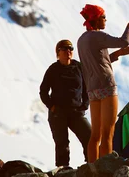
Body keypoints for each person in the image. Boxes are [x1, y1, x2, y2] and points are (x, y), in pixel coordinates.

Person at [77, 4, 129, 162]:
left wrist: (117, 54)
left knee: (95, 135)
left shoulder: (82, 40)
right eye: (103, 17)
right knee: (108, 133)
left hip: (92, 90)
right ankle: (106, 169)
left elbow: (97, 61)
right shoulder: (97, 36)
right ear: (95, 20)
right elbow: (123, 41)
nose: (105, 20)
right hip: (106, 86)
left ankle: (92, 168)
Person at [39, 39, 91, 168]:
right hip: (58, 113)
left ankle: (92, 166)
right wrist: (52, 107)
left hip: (76, 112)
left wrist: (85, 105)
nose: (68, 51)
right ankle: (63, 171)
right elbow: (43, 91)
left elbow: (87, 88)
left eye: (71, 49)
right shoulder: (53, 69)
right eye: (65, 49)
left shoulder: (79, 67)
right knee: (62, 144)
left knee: (89, 137)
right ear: (58, 52)